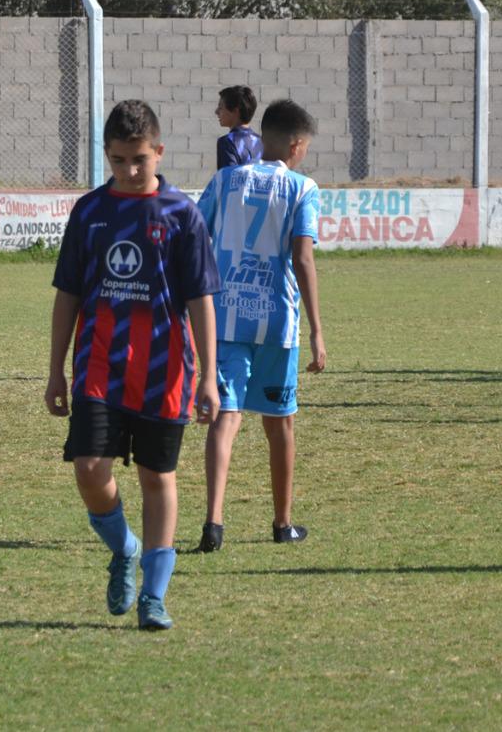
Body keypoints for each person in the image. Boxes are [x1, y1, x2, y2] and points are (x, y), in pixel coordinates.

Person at [45, 99, 220, 631]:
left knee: (156, 477)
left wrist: (209, 376)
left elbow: (200, 299)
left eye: (139, 159)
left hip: (165, 372)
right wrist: (55, 369)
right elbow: (68, 293)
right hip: (99, 366)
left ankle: (155, 596)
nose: (129, 170)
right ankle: (123, 547)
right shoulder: (90, 212)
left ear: (159, 152)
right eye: (118, 160)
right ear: (107, 156)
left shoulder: (181, 214)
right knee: (90, 470)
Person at [195, 99, 325, 553]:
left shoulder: (225, 179)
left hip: (226, 318)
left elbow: (196, 235)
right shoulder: (302, 188)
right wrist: (317, 330)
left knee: (224, 419)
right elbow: (303, 258)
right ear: (296, 145)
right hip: (277, 324)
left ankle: (213, 523)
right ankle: (282, 523)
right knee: (280, 424)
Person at [215, 85, 263, 170]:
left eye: (220, 107)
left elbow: (228, 178)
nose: (216, 112)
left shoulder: (227, 142)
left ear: (235, 111)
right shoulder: (262, 142)